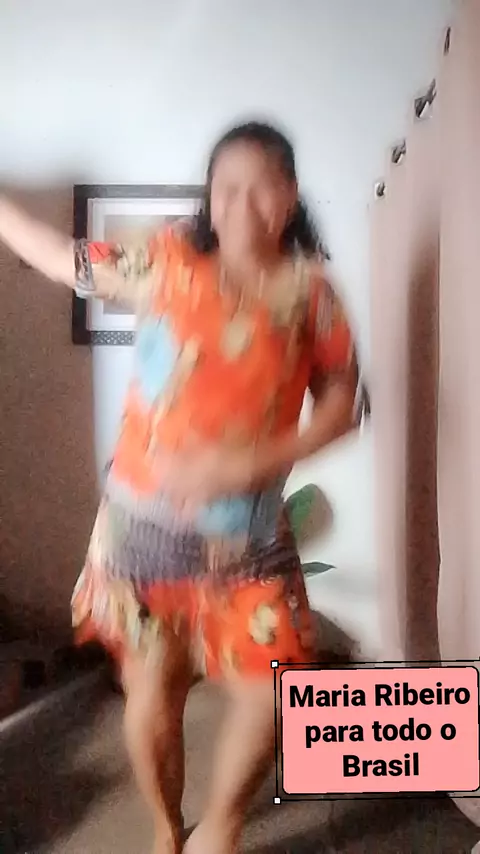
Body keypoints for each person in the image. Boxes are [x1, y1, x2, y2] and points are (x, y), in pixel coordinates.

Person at [0, 121, 359, 854]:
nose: (241, 204)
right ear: (208, 197)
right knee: (153, 692)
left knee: (273, 689)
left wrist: (253, 463)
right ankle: (167, 830)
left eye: (261, 187)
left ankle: (221, 826)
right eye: (226, 187)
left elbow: (340, 404)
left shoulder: (312, 293)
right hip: (142, 533)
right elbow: (66, 259)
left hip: (250, 539)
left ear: (290, 196)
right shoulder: (167, 259)